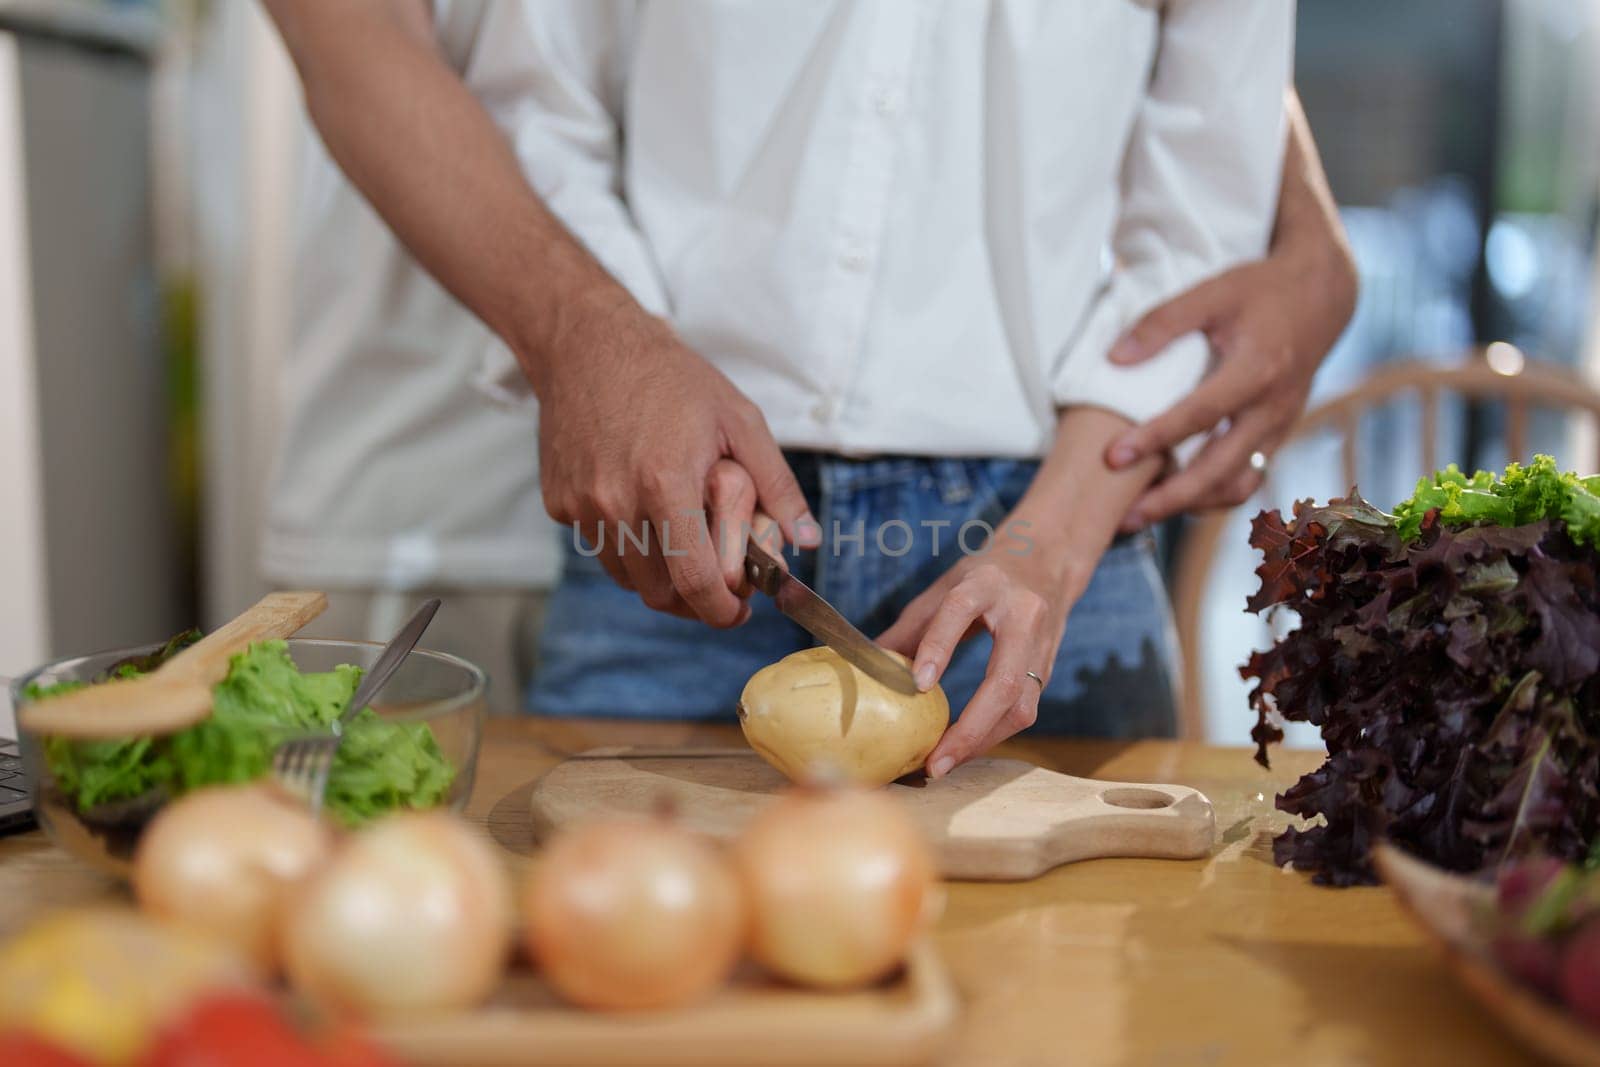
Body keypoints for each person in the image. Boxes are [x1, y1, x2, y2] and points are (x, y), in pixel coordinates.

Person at [261, 1, 1356, 769]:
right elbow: (544, 100)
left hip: (1049, 524)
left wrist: (1055, 534)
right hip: (681, 517)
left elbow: (1206, 204)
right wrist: (614, 349)